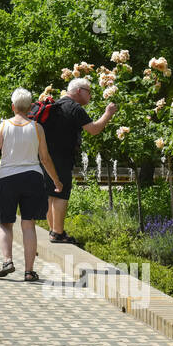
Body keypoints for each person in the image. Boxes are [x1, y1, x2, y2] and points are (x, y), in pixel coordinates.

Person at [0, 89, 64, 281]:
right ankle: (29, 272)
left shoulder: (4, 126)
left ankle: (8, 261)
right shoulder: (37, 128)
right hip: (32, 178)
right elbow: (45, 159)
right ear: (30, 108)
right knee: (29, 225)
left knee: (5, 223)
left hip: (7, 179)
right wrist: (56, 180)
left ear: (13, 107)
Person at [42, 76, 118, 244]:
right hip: (62, 157)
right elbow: (94, 129)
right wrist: (108, 113)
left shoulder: (54, 105)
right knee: (61, 194)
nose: (90, 96)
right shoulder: (74, 108)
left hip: (46, 157)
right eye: (88, 92)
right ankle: (58, 234)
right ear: (79, 91)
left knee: (51, 193)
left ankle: (53, 230)